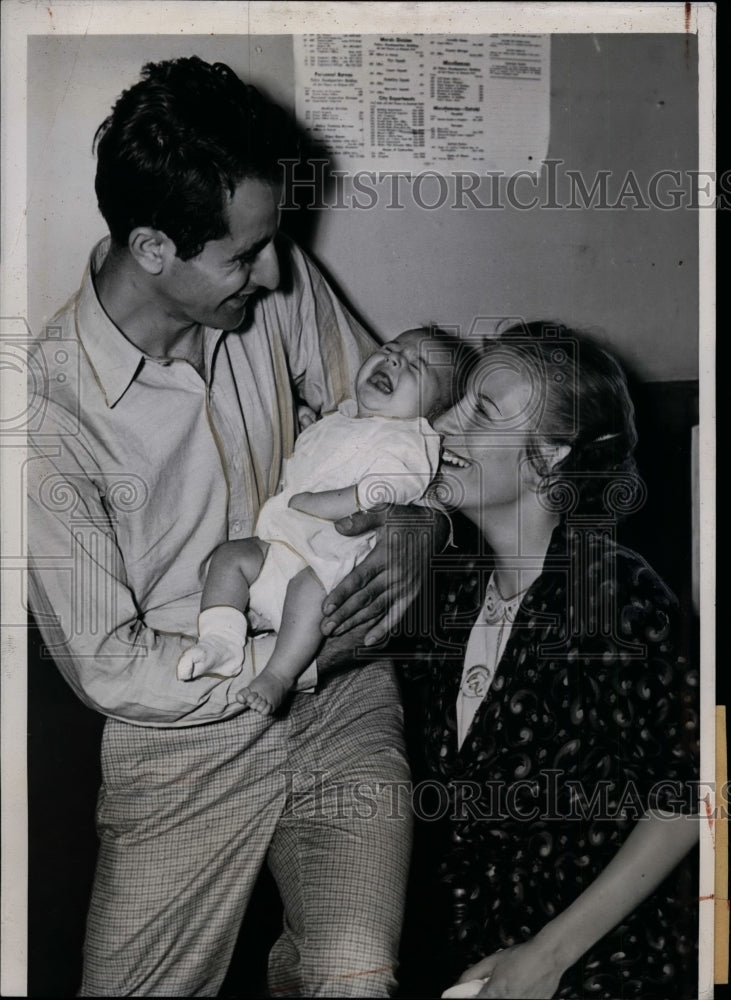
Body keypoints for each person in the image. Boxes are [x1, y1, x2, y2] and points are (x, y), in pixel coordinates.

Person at [27, 56, 444, 997]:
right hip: (184, 724)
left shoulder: (273, 283)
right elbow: (105, 662)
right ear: (152, 246)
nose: (280, 267)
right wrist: (270, 672)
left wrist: (424, 526)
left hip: (341, 692)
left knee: (352, 977)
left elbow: (406, 430)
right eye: (245, 253)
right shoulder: (42, 413)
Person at [400, 322, 699, 999]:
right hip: (466, 965)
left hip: (592, 964)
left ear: (552, 456)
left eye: (480, 411)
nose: (442, 423)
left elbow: (689, 793)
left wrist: (545, 957)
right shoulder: (445, 595)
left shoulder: (610, 590)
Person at [178, 327, 464, 715]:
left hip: (327, 556)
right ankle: (220, 641)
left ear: (435, 411)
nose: (394, 359)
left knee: (308, 589)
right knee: (229, 557)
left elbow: (383, 492)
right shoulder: (343, 417)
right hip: (279, 544)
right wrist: (307, 427)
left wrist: (323, 501)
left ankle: (278, 674)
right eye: (389, 349)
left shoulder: (411, 441)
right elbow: (312, 459)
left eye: (416, 365)